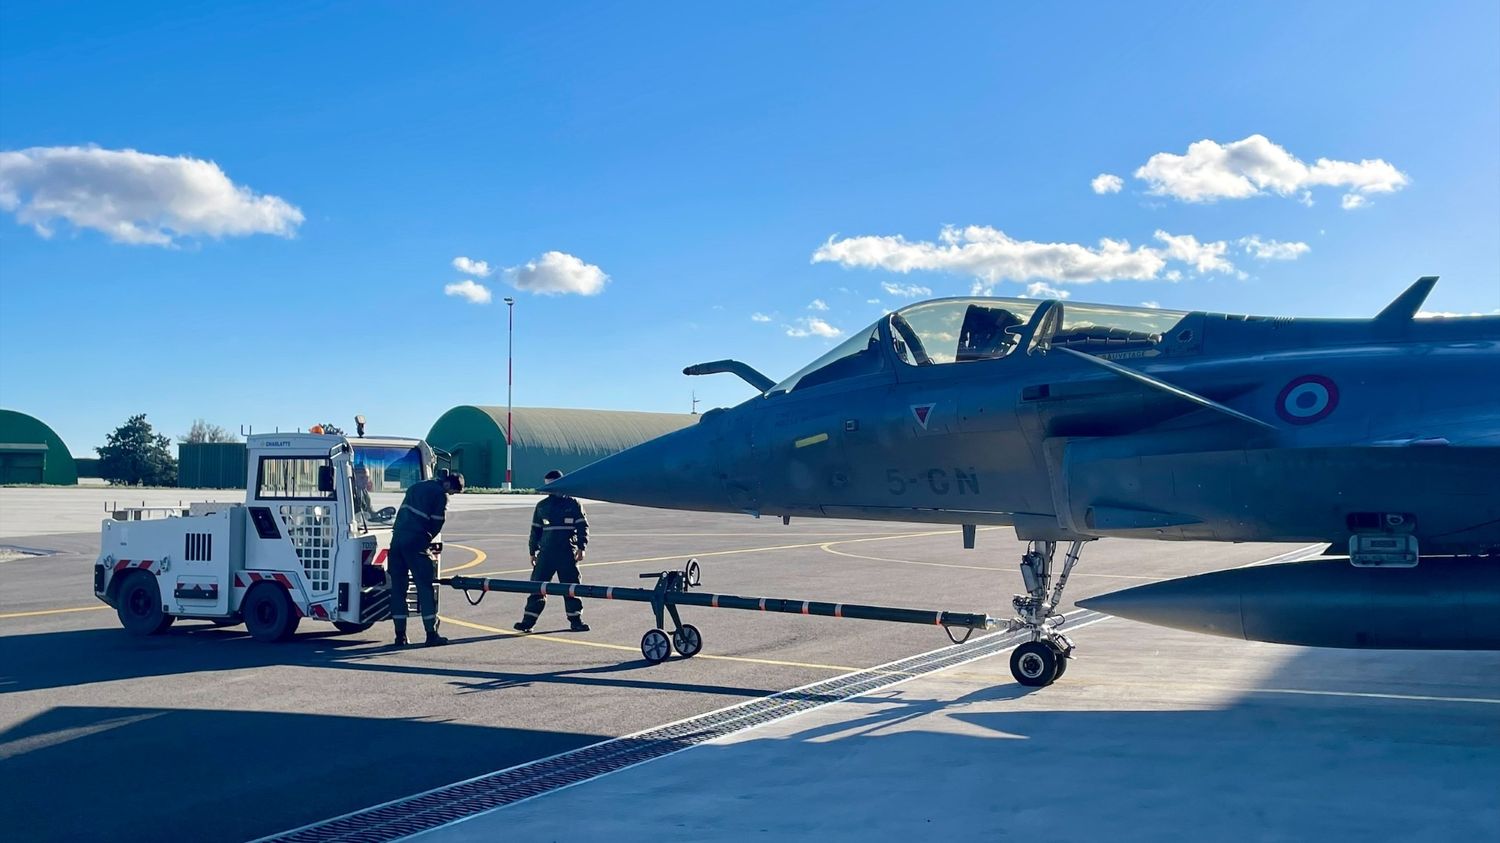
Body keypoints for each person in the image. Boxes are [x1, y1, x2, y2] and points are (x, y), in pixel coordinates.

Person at [388, 471, 465, 646]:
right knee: (425, 587)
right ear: (447, 484)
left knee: (398, 589)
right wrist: (426, 540)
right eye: (453, 491)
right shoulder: (440, 495)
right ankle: (431, 634)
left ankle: (400, 635)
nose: (451, 494)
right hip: (415, 542)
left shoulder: (416, 486)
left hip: (397, 540)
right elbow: (437, 522)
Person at [515, 469, 590, 632]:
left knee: (571, 587)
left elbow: (582, 526)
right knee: (537, 586)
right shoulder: (542, 506)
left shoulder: (573, 504)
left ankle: (576, 620)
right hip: (546, 554)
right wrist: (532, 551)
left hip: (567, 553)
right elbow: (535, 530)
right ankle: (528, 622)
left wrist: (581, 547)